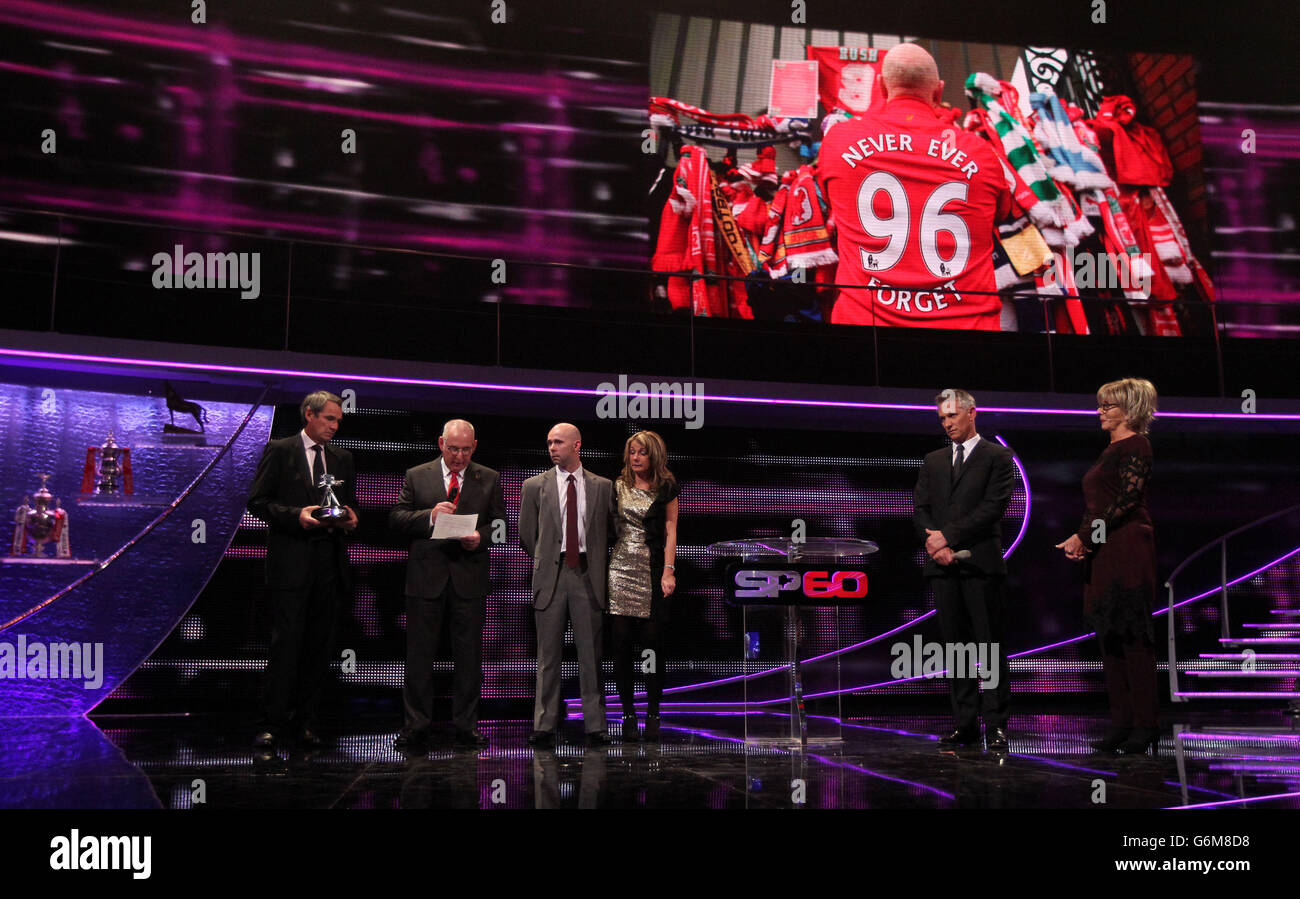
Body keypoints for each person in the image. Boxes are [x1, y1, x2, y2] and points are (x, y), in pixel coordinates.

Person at [817, 42, 1012, 329]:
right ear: (939, 90)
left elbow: (832, 200)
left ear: (881, 87)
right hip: (968, 335)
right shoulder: (982, 152)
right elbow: (1003, 213)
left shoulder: (837, 141)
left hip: (864, 333)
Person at [246, 390, 359, 750]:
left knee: (318, 648)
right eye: (329, 418)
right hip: (291, 566)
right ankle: (271, 722)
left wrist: (352, 517)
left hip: (329, 565)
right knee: (286, 647)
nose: (335, 425)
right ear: (308, 415)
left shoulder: (342, 458)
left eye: (338, 420)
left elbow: (349, 504)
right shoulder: (280, 451)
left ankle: (306, 722)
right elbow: (257, 502)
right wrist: (297, 516)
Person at [1056, 378, 1160, 755]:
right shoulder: (1109, 450)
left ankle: (1146, 724)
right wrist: (1082, 538)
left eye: (1108, 406)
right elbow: (1099, 509)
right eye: (1100, 405)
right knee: (1109, 633)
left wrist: (1087, 537)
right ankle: (1122, 722)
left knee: (1132, 634)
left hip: (1129, 545)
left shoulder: (1137, 445)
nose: (1100, 412)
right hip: (1106, 544)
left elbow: (1127, 502)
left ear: (1130, 410)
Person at [389, 419, 506, 751]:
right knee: (419, 658)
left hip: (469, 578)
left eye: (466, 450)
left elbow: (500, 526)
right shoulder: (417, 475)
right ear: (441, 443)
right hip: (426, 580)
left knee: (469, 659)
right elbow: (396, 518)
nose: (459, 456)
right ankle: (416, 726)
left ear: (474, 447)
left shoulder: (489, 478)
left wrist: (480, 538)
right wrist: (429, 517)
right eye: (453, 449)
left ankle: (466, 726)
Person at [914, 389, 1016, 750]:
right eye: (942, 418)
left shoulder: (998, 457)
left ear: (973, 413)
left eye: (952, 416)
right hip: (943, 569)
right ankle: (966, 723)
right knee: (955, 649)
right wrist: (935, 545)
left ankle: (997, 724)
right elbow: (921, 508)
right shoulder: (933, 459)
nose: (947, 424)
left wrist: (945, 538)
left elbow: (992, 508)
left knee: (988, 646)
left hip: (980, 565)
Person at [518, 423, 616, 747]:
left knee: (591, 654)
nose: (552, 448)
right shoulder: (534, 486)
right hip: (553, 574)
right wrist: (548, 560)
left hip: (588, 574)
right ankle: (544, 725)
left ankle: (595, 725)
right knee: (548, 656)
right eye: (548, 443)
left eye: (558, 442)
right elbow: (526, 534)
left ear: (577, 446)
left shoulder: (602, 486)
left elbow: (610, 531)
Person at [607, 431, 680, 741]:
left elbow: (671, 530)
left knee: (652, 647)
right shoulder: (618, 485)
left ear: (654, 456)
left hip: (651, 572)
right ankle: (627, 713)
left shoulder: (667, 487)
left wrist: (668, 571)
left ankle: (653, 711)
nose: (635, 458)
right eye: (632, 452)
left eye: (642, 453)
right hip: (619, 570)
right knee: (621, 647)